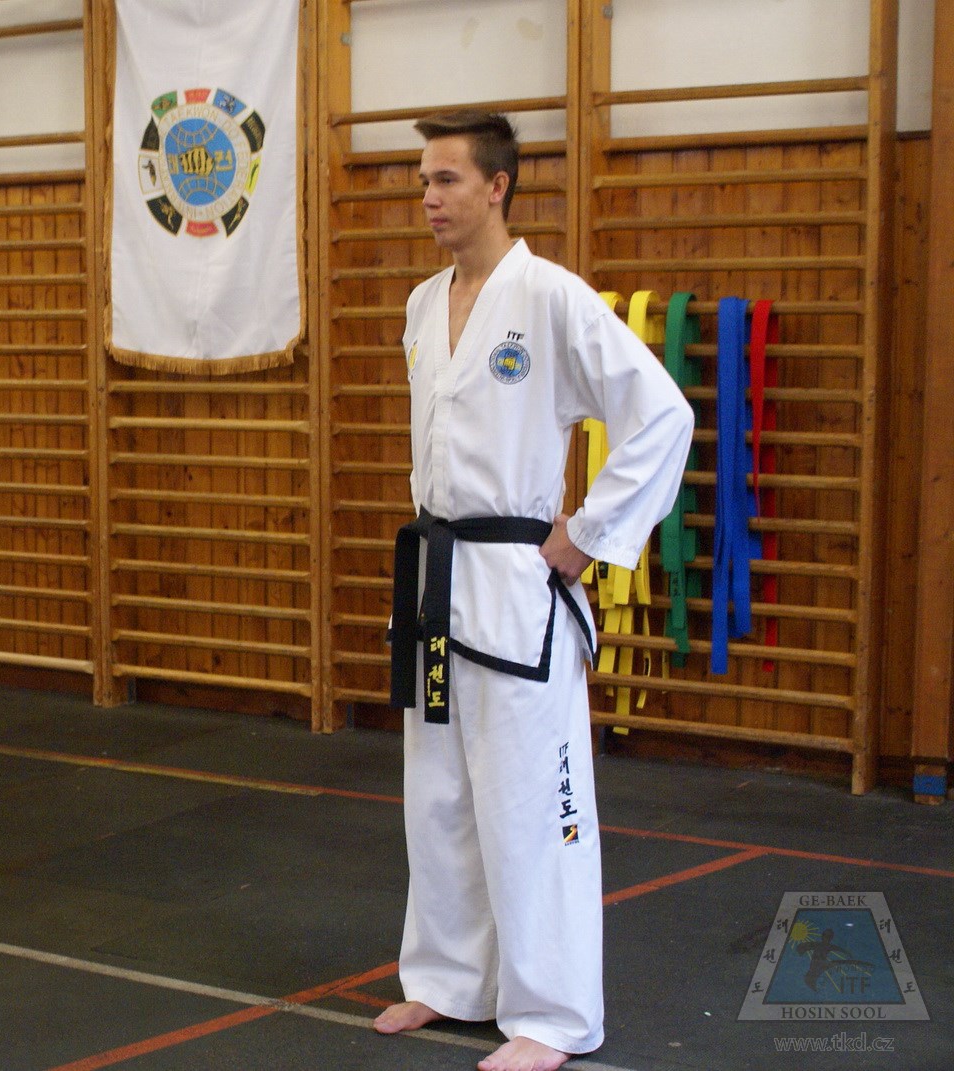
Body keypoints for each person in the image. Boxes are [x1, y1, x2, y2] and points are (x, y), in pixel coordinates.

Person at [374, 112, 692, 1071]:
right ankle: (447, 978)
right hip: (435, 578)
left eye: (446, 180)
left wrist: (587, 534)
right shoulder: (422, 304)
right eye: (423, 182)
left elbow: (661, 413)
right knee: (439, 796)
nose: (430, 198)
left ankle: (550, 1013)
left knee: (531, 804)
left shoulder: (550, 297)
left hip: (520, 585)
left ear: (497, 186)